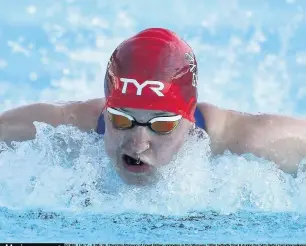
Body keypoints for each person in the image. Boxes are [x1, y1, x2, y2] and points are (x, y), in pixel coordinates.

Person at [0, 28, 305, 185]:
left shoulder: (247, 142)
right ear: (106, 110)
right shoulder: (63, 127)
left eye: (161, 124)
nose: (138, 142)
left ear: (188, 120)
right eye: (121, 120)